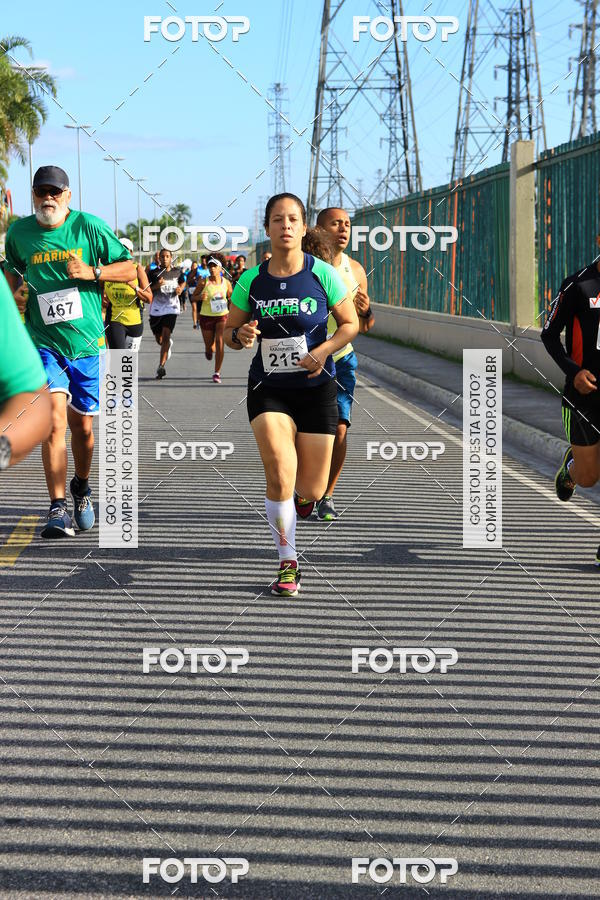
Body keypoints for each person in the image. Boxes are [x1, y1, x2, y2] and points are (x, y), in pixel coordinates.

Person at [225, 193, 358, 596]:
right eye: (278, 219)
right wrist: (240, 334)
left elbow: (349, 324)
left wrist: (322, 351)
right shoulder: (252, 280)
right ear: (266, 229)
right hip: (270, 389)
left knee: (313, 490)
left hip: (317, 387)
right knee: (280, 469)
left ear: (303, 228)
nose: (285, 225)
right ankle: (288, 562)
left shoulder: (323, 274)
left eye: (293, 219)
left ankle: (302, 500)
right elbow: (229, 335)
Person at [4, 165, 135, 538]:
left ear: (68, 196)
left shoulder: (88, 227)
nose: (48, 197)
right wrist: (11, 298)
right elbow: (11, 272)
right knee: (53, 422)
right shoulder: (19, 232)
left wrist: (93, 273)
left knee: (84, 429)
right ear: (33, 194)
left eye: (55, 191)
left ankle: (81, 486)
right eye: (42, 191)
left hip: (86, 346)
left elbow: (128, 269)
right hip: (43, 344)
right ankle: (57, 507)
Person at [309, 206, 375, 520]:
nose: (344, 229)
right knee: (304, 429)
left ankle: (328, 495)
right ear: (319, 229)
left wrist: (365, 311)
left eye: (347, 224)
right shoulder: (303, 267)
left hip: (341, 358)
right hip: (306, 358)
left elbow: (367, 326)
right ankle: (305, 485)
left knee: (339, 428)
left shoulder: (356, 270)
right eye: (336, 223)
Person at [541, 257, 600, 563]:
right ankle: (572, 469)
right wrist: (573, 372)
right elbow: (549, 334)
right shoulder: (578, 284)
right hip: (583, 398)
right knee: (589, 477)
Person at [0, 270, 52, 473]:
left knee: (81, 426)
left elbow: (35, 400)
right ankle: (58, 501)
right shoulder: (18, 240)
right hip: (42, 344)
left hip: (85, 344)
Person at [103, 237, 152, 350]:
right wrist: (103, 299)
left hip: (135, 321)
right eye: (119, 249)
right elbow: (99, 290)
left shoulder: (137, 269)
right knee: (118, 359)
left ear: (131, 252)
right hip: (115, 319)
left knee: (129, 364)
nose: (122, 252)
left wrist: (134, 287)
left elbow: (149, 298)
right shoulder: (108, 270)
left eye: (125, 249)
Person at [193, 252, 232, 383]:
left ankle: (217, 372)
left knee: (220, 341)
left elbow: (232, 297)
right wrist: (199, 297)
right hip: (206, 317)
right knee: (210, 346)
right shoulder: (203, 282)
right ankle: (209, 349)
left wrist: (232, 302)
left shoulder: (226, 283)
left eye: (215, 266)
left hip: (222, 316)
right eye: (210, 266)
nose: (212, 268)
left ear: (220, 268)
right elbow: (193, 297)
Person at [148, 247, 186, 379]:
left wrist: (180, 289)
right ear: (159, 259)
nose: (164, 259)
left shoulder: (177, 272)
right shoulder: (153, 273)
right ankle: (167, 344)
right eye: (162, 256)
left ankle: (161, 366)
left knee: (165, 335)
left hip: (171, 308)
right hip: (156, 310)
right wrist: (156, 287)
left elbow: (182, 282)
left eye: (167, 256)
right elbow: (147, 290)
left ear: (171, 258)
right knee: (160, 339)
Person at [187, 261, 202, 329]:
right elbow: (188, 282)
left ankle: (198, 321)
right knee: (194, 308)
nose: (194, 267)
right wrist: (194, 279)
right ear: (191, 267)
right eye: (193, 266)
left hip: (198, 292)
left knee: (199, 309)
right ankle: (195, 322)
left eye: (195, 266)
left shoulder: (199, 274)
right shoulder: (189, 274)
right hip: (191, 292)